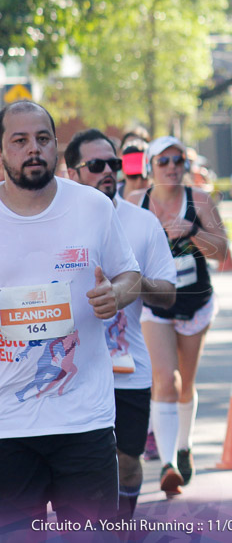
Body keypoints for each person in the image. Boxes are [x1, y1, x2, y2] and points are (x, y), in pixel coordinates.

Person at [0, 102, 141, 530]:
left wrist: (114, 296)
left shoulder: (92, 207)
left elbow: (130, 275)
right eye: (19, 141)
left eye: (43, 138)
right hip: (8, 424)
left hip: (84, 419)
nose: (33, 149)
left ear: (57, 146)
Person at [64, 128, 177, 521]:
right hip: (72, 371)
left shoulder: (143, 223)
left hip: (128, 370)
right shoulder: (56, 221)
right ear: (72, 172)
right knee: (79, 471)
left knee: (128, 463)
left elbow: (169, 295)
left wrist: (130, 283)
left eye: (113, 164)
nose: (108, 172)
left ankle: (122, 527)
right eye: (96, 166)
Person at [128, 135, 229, 497]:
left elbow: (222, 251)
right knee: (164, 379)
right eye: (164, 161)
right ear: (150, 167)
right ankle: (169, 463)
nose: (172, 167)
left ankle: (183, 446)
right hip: (156, 305)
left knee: (186, 381)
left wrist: (194, 232)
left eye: (178, 161)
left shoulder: (197, 200)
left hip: (196, 303)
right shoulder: (135, 204)